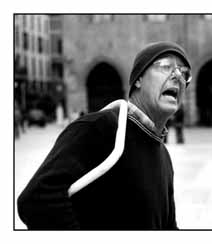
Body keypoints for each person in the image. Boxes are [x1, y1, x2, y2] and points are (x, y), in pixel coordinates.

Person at [17, 41, 192, 230]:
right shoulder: (100, 128)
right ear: (138, 79)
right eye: (166, 67)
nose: (177, 76)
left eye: (184, 73)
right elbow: (37, 200)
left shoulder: (163, 156)